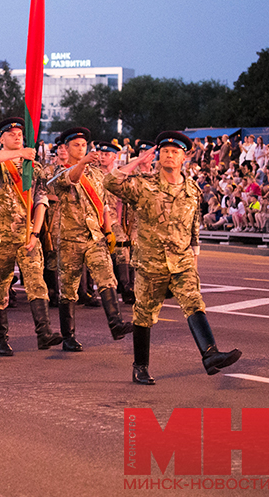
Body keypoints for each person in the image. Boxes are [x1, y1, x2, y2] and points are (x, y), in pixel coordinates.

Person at [104, 131, 242, 384]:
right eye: (165, 151)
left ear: (184, 158)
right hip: (150, 263)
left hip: (182, 261)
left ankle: (210, 354)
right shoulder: (143, 184)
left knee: (193, 301)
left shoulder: (192, 189)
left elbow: (194, 227)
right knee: (144, 315)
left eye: (175, 152)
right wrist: (137, 160)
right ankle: (140, 366)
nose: (170, 154)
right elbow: (110, 182)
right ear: (158, 156)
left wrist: (195, 258)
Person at [0, 117, 62, 355]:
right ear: (2, 139)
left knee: (37, 282)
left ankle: (44, 332)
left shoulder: (33, 167)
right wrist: (17, 154)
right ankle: (1, 339)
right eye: (12, 134)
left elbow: (41, 200)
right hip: (0, 236)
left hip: (27, 235)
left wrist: (36, 232)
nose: (18, 136)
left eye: (20, 133)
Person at [50, 128, 132, 352]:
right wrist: (84, 162)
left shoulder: (96, 174)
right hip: (70, 238)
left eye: (84, 145)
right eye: (76, 145)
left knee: (106, 276)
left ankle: (115, 324)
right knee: (69, 289)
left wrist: (108, 231)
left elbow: (103, 204)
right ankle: (69, 336)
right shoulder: (60, 171)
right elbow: (72, 179)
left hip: (94, 236)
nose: (81, 148)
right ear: (66, 148)